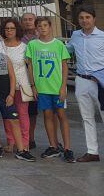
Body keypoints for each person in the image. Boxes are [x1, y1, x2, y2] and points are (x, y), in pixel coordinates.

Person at [67, 5, 104, 169]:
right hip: (82, 81)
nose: (84, 20)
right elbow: (67, 50)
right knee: (87, 118)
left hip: (101, 82)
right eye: (81, 18)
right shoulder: (75, 35)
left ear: (94, 18)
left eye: (87, 17)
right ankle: (92, 151)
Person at [0, 33, 35, 162]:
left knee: (14, 120)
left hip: (6, 96)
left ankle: (21, 149)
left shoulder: (5, 58)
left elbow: (12, 77)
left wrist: (11, 94)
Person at [25, 16, 75, 163]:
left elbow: (64, 66)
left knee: (61, 115)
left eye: (45, 25)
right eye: (39, 26)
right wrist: (33, 86)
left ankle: (67, 148)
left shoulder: (58, 45)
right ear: (36, 29)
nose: (43, 28)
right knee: (47, 115)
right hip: (42, 87)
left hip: (57, 86)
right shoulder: (32, 45)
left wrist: (63, 87)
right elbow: (31, 66)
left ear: (50, 26)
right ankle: (53, 145)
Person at [0, 18, 33, 154]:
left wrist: (33, 85)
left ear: (17, 30)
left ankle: (24, 143)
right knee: (7, 116)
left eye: (12, 28)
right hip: (4, 86)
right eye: (7, 28)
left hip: (21, 86)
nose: (9, 31)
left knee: (22, 115)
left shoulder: (25, 47)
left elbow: (30, 67)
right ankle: (10, 142)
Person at [20, 11, 39, 147]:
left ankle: (31, 137)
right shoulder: (19, 37)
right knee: (22, 109)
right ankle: (22, 137)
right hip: (22, 77)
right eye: (25, 19)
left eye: (30, 19)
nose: (28, 21)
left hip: (39, 77)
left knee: (33, 111)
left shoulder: (41, 36)